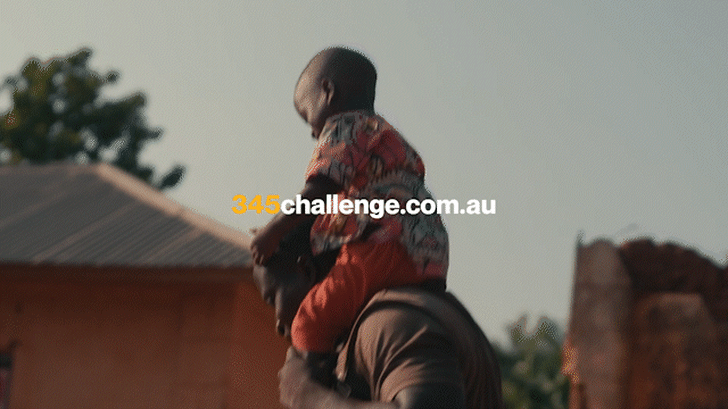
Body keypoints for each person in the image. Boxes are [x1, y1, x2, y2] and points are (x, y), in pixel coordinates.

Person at [250, 47, 450, 363]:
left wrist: (273, 230)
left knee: (309, 323)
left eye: (308, 116)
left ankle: (313, 383)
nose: (313, 132)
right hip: (430, 257)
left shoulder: (343, 127)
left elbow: (319, 190)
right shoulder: (388, 137)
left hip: (378, 249)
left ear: (328, 92)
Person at [252, 222, 503, 409]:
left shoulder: (389, 321)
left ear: (307, 271)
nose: (278, 325)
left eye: (273, 298)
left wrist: (309, 397)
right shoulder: (418, 307)